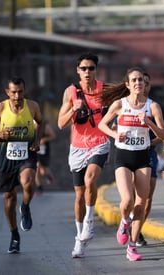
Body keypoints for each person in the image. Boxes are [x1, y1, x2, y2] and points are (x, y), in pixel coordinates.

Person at [98, 67, 164, 261]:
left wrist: (148, 122)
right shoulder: (119, 105)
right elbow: (102, 124)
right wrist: (115, 135)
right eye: (134, 80)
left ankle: (132, 246)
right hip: (123, 156)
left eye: (141, 80)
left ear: (145, 84)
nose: (139, 83)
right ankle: (124, 221)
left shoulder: (153, 107)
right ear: (128, 84)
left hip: (143, 157)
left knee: (141, 203)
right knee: (128, 200)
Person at [57, 52, 110, 258]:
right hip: (78, 147)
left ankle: (89, 222)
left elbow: (118, 110)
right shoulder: (70, 92)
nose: (87, 72)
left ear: (96, 70)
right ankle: (80, 239)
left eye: (91, 68)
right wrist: (73, 110)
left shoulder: (104, 90)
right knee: (79, 194)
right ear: (78, 70)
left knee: (90, 180)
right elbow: (61, 124)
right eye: (84, 68)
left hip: (100, 143)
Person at [0, 76, 44, 254]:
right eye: (13, 92)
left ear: (24, 91)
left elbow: (40, 122)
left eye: (20, 92)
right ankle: (14, 235)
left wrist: (37, 140)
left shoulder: (32, 106)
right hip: (6, 155)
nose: (17, 96)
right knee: (9, 198)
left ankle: (25, 207)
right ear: (7, 92)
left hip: (27, 151)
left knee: (28, 182)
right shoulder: (0, 108)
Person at [134, 72, 164, 247]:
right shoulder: (125, 104)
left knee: (147, 197)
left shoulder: (156, 107)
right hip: (130, 153)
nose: (143, 85)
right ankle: (128, 222)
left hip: (149, 153)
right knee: (133, 197)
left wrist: (148, 141)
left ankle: (137, 229)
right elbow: (115, 127)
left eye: (146, 83)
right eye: (140, 81)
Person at [35, 120, 56, 195]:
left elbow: (53, 136)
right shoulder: (29, 125)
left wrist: (44, 139)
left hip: (44, 151)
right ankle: (39, 187)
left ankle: (49, 176)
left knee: (43, 171)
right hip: (34, 150)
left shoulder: (45, 127)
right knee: (37, 168)